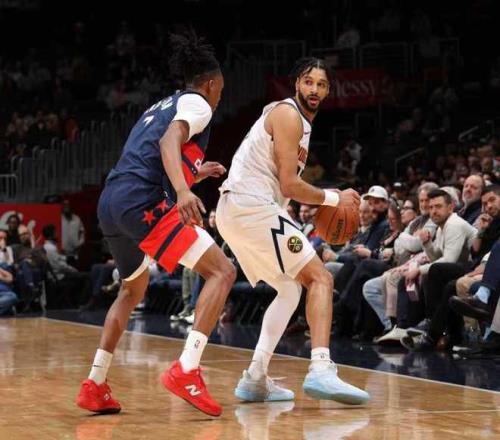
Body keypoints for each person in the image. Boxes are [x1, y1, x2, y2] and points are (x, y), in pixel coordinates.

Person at [76, 30, 236, 417]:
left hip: (112, 200)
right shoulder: (199, 104)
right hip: (142, 202)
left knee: (132, 290)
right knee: (222, 271)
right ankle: (187, 369)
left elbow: (151, 154)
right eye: (220, 89)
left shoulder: (162, 104)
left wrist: (194, 174)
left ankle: (95, 384)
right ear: (211, 84)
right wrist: (183, 192)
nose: (220, 96)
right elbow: (168, 143)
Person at [216, 57, 369, 405]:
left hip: (239, 209)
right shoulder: (288, 115)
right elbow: (289, 185)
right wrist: (335, 197)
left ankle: (255, 378)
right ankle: (321, 369)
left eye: (322, 84)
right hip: (250, 206)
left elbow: (282, 188)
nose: (314, 89)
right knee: (321, 278)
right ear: (297, 83)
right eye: (309, 82)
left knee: (289, 289)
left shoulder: (297, 122)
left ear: (328, 91)